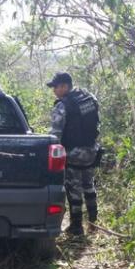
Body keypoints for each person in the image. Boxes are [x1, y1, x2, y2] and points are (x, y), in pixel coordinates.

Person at [47, 72, 100, 236]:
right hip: (91, 150)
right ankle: (93, 222)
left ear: (64, 86)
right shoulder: (89, 97)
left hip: (73, 153)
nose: (54, 91)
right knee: (89, 185)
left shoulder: (63, 105)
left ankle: (77, 227)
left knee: (73, 188)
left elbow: (55, 135)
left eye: (55, 87)